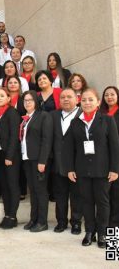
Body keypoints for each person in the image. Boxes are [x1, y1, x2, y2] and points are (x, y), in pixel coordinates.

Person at [66, 88, 119, 248]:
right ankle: (90, 231)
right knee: (87, 202)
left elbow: (115, 146)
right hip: (82, 169)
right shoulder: (75, 122)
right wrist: (70, 168)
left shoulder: (107, 120)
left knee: (103, 202)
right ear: (80, 103)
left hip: (102, 169)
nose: (87, 103)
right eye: (84, 100)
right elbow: (69, 148)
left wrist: (115, 169)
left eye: (91, 100)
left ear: (97, 102)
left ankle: (102, 233)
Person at [51, 88, 83, 234]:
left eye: (69, 97)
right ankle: (61, 222)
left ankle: (76, 222)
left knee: (76, 196)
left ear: (76, 99)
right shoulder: (53, 115)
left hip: (77, 164)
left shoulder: (83, 115)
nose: (65, 99)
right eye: (62, 97)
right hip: (58, 163)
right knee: (60, 195)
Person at [20, 90, 53, 232]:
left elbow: (47, 140)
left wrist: (42, 161)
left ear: (36, 102)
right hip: (27, 158)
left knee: (41, 191)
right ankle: (33, 219)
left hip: (39, 160)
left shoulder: (44, 116)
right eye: (25, 100)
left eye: (30, 100)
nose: (27, 102)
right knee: (32, 190)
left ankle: (42, 221)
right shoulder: (25, 118)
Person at [0, 88, 21, 229]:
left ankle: (12, 216)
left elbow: (14, 136)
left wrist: (9, 156)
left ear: (9, 98)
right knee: (4, 186)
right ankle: (6, 215)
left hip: (10, 155)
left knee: (12, 185)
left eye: (2, 96)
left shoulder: (12, 113)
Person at [100, 86, 119, 227]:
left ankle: (113, 230)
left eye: (112, 94)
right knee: (105, 197)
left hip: (116, 159)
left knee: (116, 196)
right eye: (106, 95)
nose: (109, 97)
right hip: (104, 160)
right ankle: (104, 227)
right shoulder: (101, 114)